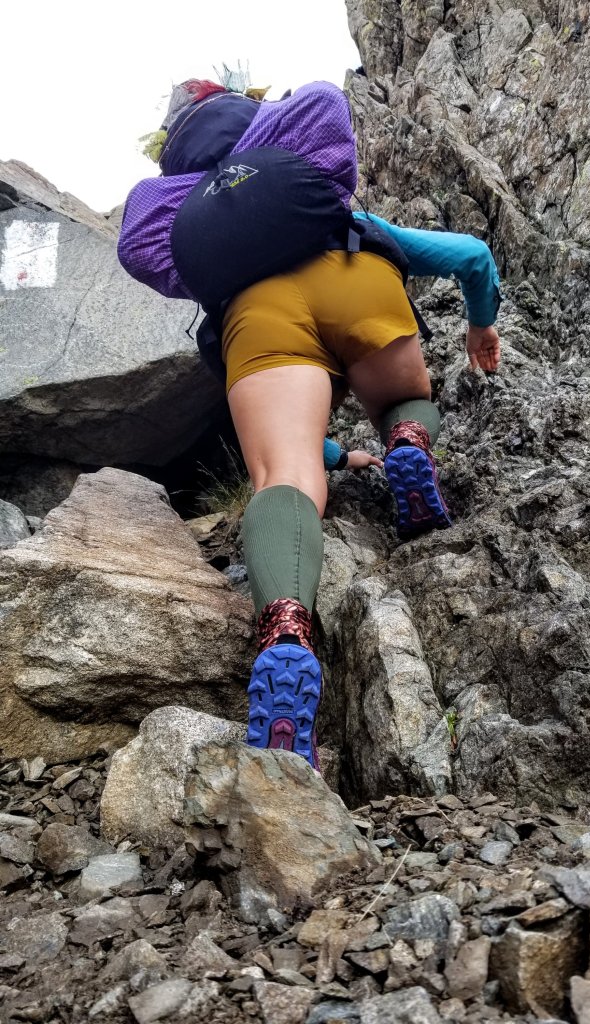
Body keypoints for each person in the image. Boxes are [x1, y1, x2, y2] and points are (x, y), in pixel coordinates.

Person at [118, 77, 501, 769]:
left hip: (255, 317)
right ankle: (408, 443)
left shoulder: (188, 221)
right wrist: (481, 325)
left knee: (284, 477)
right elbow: (473, 256)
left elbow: (143, 250)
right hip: (355, 274)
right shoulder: (316, 184)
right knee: (403, 403)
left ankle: (287, 634)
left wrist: (326, 457)